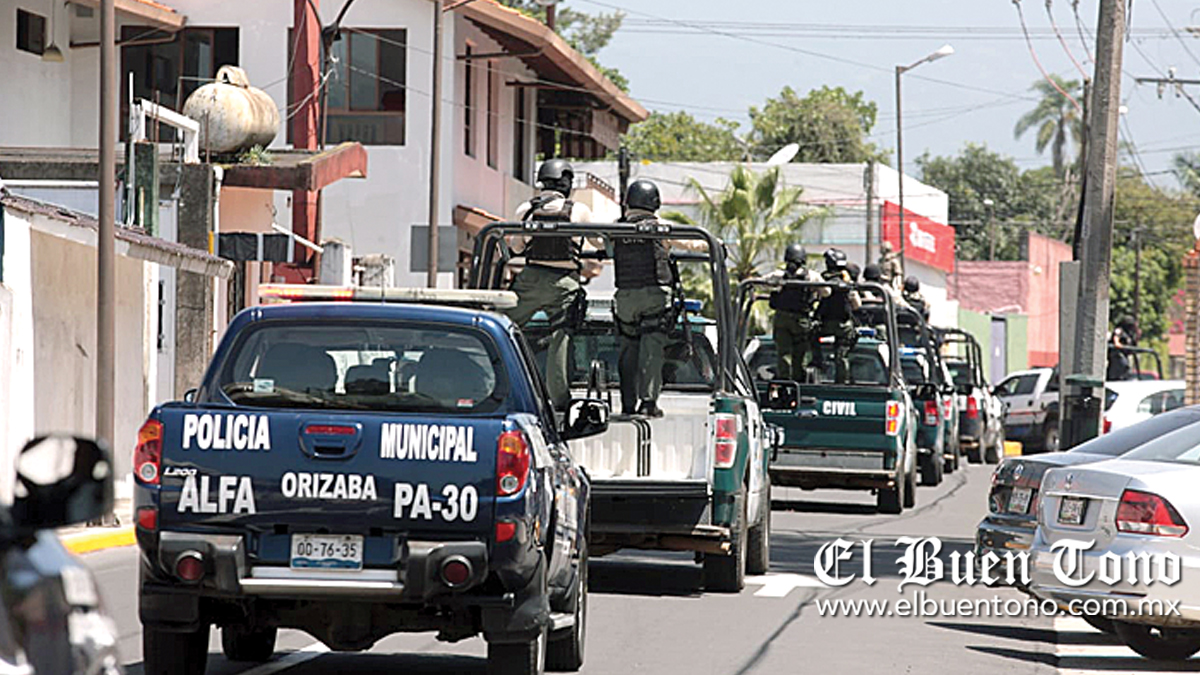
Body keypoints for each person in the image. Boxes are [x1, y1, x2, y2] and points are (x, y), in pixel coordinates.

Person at [507, 159, 595, 410]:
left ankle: (502, 385)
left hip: (531, 279)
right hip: (564, 283)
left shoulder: (526, 209)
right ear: (566, 182)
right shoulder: (579, 210)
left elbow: (516, 248)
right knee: (561, 337)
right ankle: (559, 401)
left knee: (503, 327)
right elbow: (598, 242)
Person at [611, 179, 702, 417]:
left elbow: (596, 242)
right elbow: (693, 243)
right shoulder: (661, 227)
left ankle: (627, 404)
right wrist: (715, 245)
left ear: (628, 202)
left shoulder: (616, 228)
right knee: (651, 349)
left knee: (628, 350)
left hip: (625, 297)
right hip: (654, 296)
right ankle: (648, 402)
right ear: (655, 202)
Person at [766, 244, 826, 381]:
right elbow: (827, 292)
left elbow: (761, 284)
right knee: (801, 354)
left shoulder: (778, 275)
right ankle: (799, 382)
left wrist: (777, 287)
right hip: (801, 319)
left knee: (783, 353)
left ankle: (784, 382)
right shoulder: (811, 276)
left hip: (782, 318)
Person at [813, 248, 862, 383]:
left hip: (827, 324)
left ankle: (817, 361)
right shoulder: (846, 282)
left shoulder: (823, 280)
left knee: (809, 333)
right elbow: (857, 305)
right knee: (842, 356)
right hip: (843, 325)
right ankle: (842, 381)